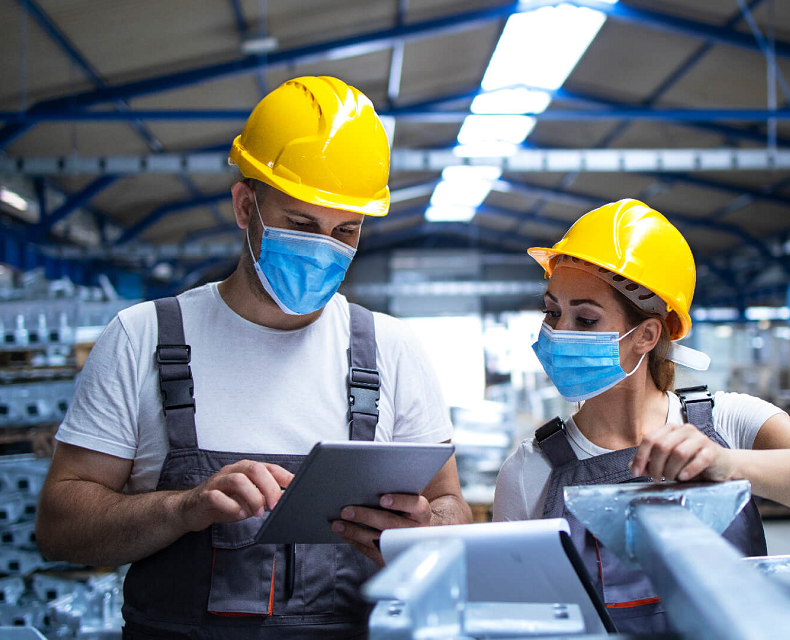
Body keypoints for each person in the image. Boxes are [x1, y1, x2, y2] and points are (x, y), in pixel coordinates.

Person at [36, 76, 471, 639]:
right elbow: (59, 526)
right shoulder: (142, 337)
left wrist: (421, 531)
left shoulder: (393, 351)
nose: (324, 248)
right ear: (246, 206)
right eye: (301, 225)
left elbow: (451, 506)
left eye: (346, 231)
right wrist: (182, 508)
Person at [493, 199, 790, 634]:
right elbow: (516, 620)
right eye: (552, 312)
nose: (558, 333)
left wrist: (727, 465)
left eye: (585, 319)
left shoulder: (729, 423)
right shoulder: (530, 470)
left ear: (645, 335)